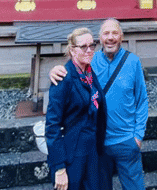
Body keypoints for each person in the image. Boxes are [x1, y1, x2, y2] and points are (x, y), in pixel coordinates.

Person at [49, 19, 149, 190]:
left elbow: (142, 100)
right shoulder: (91, 62)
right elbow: (72, 70)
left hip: (125, 140)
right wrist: (54, 70)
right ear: (100, 38)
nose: (110, 38)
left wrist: (138, 136)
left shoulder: (132, 62)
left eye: (115, 33)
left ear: (122, 37)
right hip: (98, 145)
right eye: (106, 34)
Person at [45, 27, 106, 190]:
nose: (89, 50)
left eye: (92, 46)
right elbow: (52, 126)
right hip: (72, 153)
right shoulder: (63, 77)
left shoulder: (89, 72)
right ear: (72, 50)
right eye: (83, 46)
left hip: (92, 150)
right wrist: (59, 168)